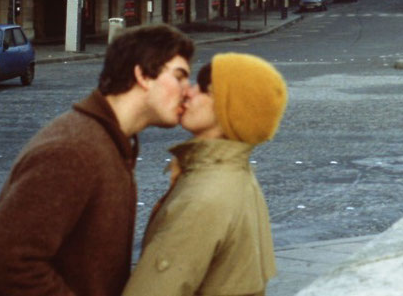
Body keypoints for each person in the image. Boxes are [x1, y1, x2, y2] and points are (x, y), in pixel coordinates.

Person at [0, 24, 194, 296]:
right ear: (143, 75)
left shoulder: (109, 142)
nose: (188, 91)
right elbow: (5, 258)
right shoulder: (75, 149)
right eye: (180, 76)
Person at [123, 52, 288, 296]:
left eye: (203, 88)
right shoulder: (237, 175)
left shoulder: (205, 196)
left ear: (229, 110)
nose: (188, 92)